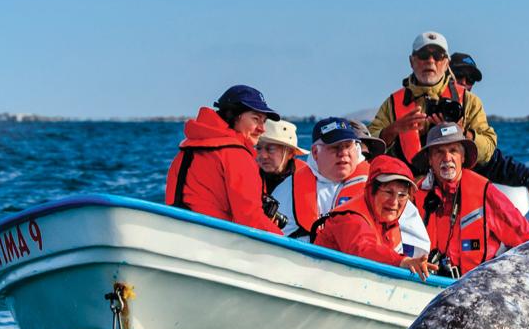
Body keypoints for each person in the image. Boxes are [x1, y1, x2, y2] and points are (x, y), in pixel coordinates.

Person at [289, 117, 431, 256]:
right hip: (311, 263)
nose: (343, 153)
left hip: (374, 265)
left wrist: (403, 261)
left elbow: (418, 247)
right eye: (335, 147)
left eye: (348, 146)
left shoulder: (383, 182)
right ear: (315, 152)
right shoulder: (291, 185)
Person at [413, 123, 529, 277]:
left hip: (477, 287)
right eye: (439, 152)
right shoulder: (414, 193)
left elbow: (527, 239)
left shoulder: (485, 191)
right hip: (425, 282)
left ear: (463, 157)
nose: (447, 158)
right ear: (430, 159)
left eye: (453, 151)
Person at [369, 31, 497, 172]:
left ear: (446, 63)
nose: (430, 61)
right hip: (408, 186)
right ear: (412, 61)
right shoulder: (392, 103)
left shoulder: (469, 101)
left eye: (437, 56)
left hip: (453, 183)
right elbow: (367, 147)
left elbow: (489, 149)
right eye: (423, 56)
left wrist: (462, 133)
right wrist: (394, 129)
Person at [165, 85, 284, 234]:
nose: (262, 128)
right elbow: (250, 219)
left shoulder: (186, 151)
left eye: (264, 121)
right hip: (215, 241)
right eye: (256, 119)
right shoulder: (237, 155)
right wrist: (284, 240)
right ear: (234, 116)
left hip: (179, 233)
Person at [312, 156, 438, 280]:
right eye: (388, 192)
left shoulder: (387, 221)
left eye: (402, 195)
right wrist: (402, 261)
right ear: (371, 190)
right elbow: (364, 249)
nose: (394, 202)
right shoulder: (350, 218)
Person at [450, 51, 529, 197]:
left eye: (470, 79)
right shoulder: (421, 104)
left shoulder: (472, 108)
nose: (464, 82)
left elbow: (491, 159)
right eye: (458, 75)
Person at [256, 118, 309, 230]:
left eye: (270, 149)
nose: (262, 155)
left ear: (290, 153)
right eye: (259, 148)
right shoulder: (248, 175)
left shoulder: (309, 181)